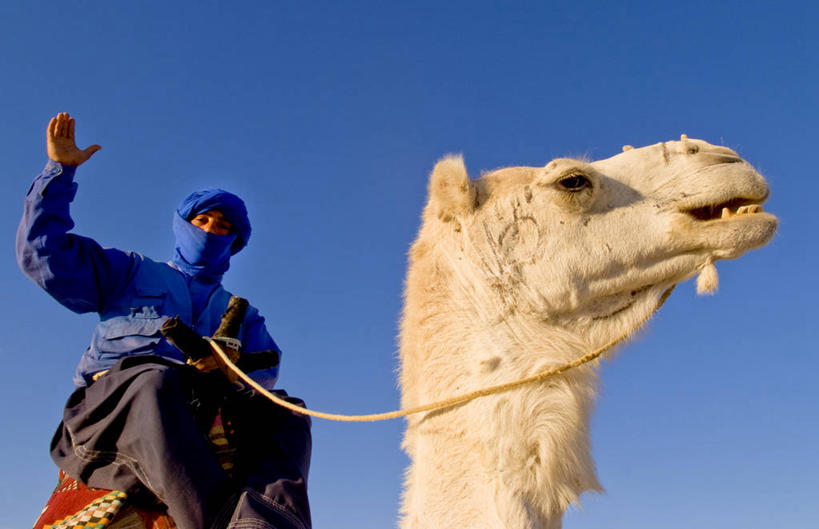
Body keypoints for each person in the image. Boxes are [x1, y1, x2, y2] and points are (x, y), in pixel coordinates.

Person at [16, 113, 312, 529]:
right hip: (113, 411)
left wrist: (227, 373)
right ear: (183, 224)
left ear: (234, 242)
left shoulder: (241, 313)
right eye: (203, 220)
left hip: (203, 414)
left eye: (224, 227)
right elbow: (44, 257)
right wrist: (60, 172)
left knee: (289, 414)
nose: (212, 229)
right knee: (154, 378)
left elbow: (264, 372)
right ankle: (206, 519)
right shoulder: (129, 272)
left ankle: (266, 522)